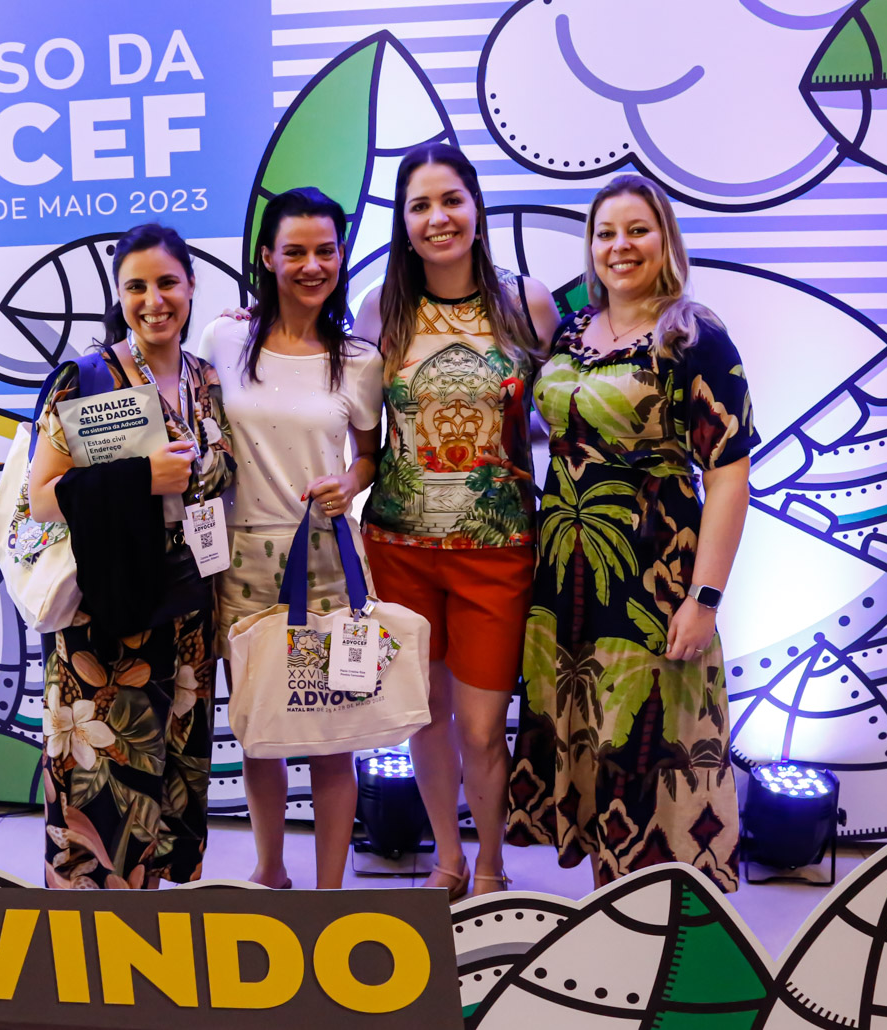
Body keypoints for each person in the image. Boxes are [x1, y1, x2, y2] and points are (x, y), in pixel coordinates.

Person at [505, 175, 757, 893]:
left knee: (646, 742)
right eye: (605, 232)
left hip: (652, 576)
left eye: (637, 230)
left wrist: (704, 599)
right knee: (589, 735)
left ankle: (654, 917)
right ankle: (604, 906)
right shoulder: (570, 331)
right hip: (566, 578)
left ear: (665, 239)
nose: (620, 246)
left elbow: (729, 474)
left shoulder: (693, 335)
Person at [353, 143, 560, 898]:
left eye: (450, 200)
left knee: (479, 727)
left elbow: (567, 408)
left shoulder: (526, 303)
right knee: (423, 718)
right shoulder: (380, 307)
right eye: (419, 206)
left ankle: (492, 863)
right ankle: (448, 859)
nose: (437, 218)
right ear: (403, 223)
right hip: (398, 547)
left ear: (475, 207)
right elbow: (346, 410)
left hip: (496, 550)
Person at [28, 223, 234, 889]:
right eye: (136, 286)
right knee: (99, 792)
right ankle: (91, 939)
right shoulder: (87, 378)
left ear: (191, 285)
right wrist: (141, 477)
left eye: (167, 282)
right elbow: (41, 498)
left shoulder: (204, 378)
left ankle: (153, 930)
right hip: (108, 626)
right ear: (119, 295)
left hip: (187, 617)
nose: (153, 300)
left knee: (170, 789)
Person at [197, 187, 384, 890]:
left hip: (325, 563)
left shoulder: (358, 359)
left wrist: (349, 482)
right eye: (295, 251)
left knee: (332, 736)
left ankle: (328, 894)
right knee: (261, 731)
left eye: (325, 250)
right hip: (240, 563)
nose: (312, 265)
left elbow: (370, 455)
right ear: (268, 258)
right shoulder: (223, 340)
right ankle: (270, 872)